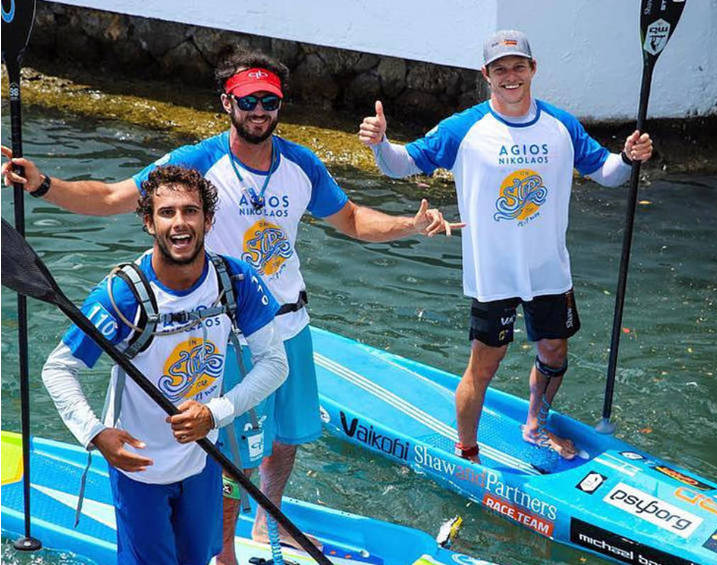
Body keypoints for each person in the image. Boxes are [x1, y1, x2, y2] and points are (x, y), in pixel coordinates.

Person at [2, 48, 458, 564]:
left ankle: (267, 525)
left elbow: (351, 219)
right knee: (227, 452)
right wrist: (42, 184)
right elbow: (111, 197)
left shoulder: (302, 163)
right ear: (227, 103)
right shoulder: (196, 163)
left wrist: (411, 226)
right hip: (222, 323)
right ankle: (224, 554)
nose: (259, 111)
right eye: (248, 101)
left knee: (285, 438)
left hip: (289, 323)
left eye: (270, 101)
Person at [357, 30, 654, 463]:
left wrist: (628, 157)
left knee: (554, 352)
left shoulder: (561, 125)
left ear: (533, 69)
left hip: (549, 270)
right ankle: (467, 451)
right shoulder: (465, 128)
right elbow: (401, 164)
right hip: (493, 274)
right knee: (485, 364)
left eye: (518, 66)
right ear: (487, 75)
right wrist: (381, 143)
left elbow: (608, 172)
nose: (510, 76)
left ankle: (536, 425)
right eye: (500, 69)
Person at [40, 165, 286, 564]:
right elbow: (58, 369)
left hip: (202, 461)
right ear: (148, 222)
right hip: (140, 471)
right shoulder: (122, 295)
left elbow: (275, 363)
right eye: (166, 212)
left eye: (190, 211)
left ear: (208, 219)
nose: (180, 223)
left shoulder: (235, 281)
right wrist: (96, 433)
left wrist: (215, 412)